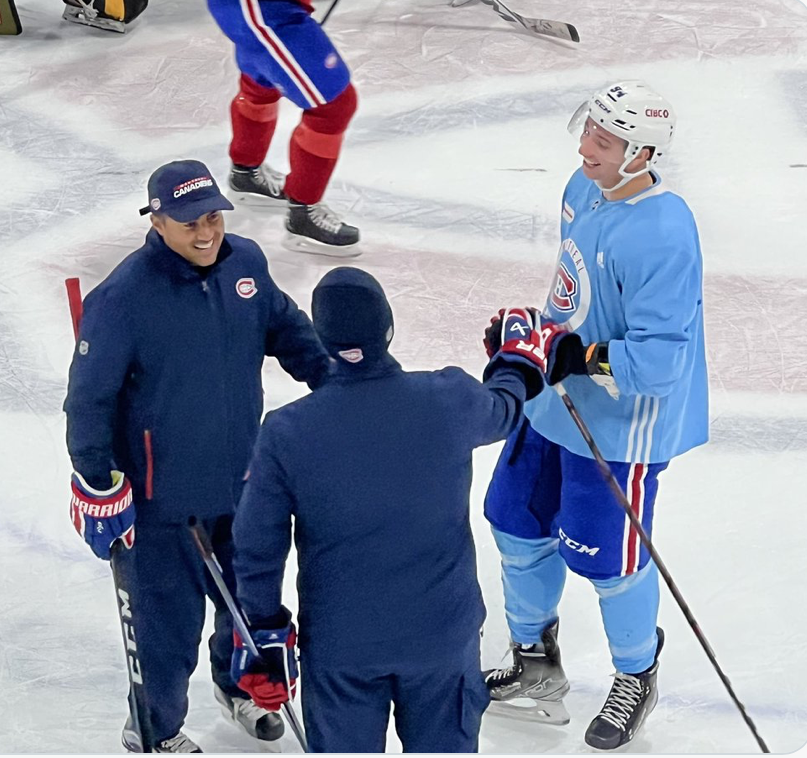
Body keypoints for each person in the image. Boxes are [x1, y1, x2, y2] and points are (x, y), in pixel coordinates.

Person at [63, 159, 331, 753]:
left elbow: (291, 335)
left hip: (244, 485)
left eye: (212, 217)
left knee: (251, 607)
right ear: (157, 221)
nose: (206, 233)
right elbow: (88, 401)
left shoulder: (246, 266)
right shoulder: (123, 298)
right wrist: (96, 481)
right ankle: (154, 731)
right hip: (164, 507)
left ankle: (238, 688)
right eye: (189, 223)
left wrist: (341, 387)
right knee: (166, 632)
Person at [228, 266, 551, 752]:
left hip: (342, 648)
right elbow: (506, 406)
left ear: (323, 338)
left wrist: (264, 632)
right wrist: (517, 359)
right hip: (440, 637)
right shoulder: (447, 399)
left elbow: (257, 546)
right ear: (389, 329)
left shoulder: (287, 432)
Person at [481, 80, 708, 750]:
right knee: (515, 524)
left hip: (622, 427)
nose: (586, 148)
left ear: (641, 152)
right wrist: (531, 346)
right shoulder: (582, 191)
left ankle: (637, 673)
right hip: (558, 404)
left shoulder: (665, 234)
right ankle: (533, 661)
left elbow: (662, 361)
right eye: (588, 131)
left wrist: (583, 357)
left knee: (608, 559)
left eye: (603, 141)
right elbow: (570, 300)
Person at [207, 0, 360, 257]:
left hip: (251, 9)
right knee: (334, 106)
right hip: (265, 10)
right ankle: (304, 213)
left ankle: (246, 172)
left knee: (260, 81)